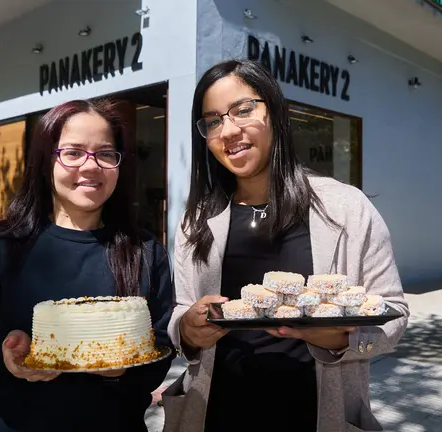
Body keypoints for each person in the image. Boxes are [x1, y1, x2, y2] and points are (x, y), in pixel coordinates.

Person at [162, 60, 409, 432]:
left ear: (276, 113)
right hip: (218, 414)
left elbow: (394, 314)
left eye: (243, 110)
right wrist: (187, 331)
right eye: (212, 121)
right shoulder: (197, 220)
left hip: (317, 414)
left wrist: (340, 338)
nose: (228, 130)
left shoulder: (346, 208)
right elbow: (181, 311)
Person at [0, 99, 174, 431]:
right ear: (46, 162)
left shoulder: (144, 251)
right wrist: (3, 359)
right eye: (72, 152)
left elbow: (159, 349)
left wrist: (123, 370)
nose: (91, 166)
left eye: (105, 153)